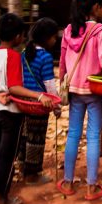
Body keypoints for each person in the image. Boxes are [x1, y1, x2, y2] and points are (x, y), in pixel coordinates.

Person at [0, 13, 52, 204]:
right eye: (22, 34)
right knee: (8, 155)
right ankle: (2, 199)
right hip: (10, 112)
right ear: (17, 36)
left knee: (0, 152)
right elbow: (14, 87)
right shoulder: (14, 56)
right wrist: (39, 96)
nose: (23, 38)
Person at [59, 0, 102, 201]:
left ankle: (68, 182)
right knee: (94, 136)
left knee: (73, 135)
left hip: (74, 90)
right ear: (96, 8)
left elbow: (62, 62)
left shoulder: (70, 30)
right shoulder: (101, 31)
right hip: (94, 90)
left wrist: (63, 83)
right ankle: (91, 187)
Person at [18, 19, 60, 185]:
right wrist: (56, 107)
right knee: (36, 139)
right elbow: (49, 84)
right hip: (39, 104)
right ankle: (32, 175)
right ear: (46, 38)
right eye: (54, 37)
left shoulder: (23, 53)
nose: (55, 41)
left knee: (24, 136)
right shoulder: (45, 57)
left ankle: (22, 169)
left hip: (22, 102)